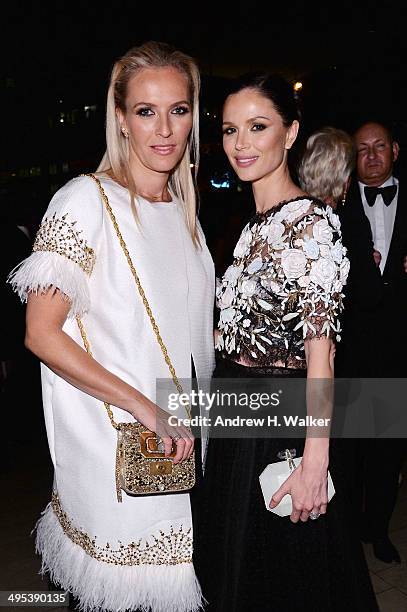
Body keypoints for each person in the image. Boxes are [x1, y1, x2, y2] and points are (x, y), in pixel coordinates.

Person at [7, 41, 215, 612]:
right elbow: (40, 333)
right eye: (146, 111)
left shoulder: (185, 211)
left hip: (180, 452)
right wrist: (146, 407)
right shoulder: (85, 201)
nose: (165, 129)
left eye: (178, 109)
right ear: (120, 118)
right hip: (120, 456)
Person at [195, 74, 378, 611]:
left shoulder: (312, 224)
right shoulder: (250, 227)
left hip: (280, 425)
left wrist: (315, 460)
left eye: (258, 127)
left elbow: (324, 355)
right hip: (236, 418)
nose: (240, 144)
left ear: (291, 132)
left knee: (287, 578)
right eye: (230, 130)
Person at [336, 121, 407, 564]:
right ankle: (345, 536)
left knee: (387, 448)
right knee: (347, 448)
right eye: (362, 149)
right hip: (348, 348)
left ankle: (378, 530)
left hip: (398, 346)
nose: (373, 156)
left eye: (380, 146)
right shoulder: (336, 208)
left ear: (395, 150)